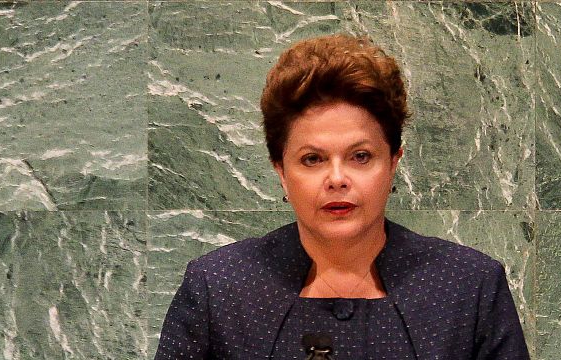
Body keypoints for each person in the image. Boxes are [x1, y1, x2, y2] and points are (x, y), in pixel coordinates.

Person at [155, 34, 529, 359]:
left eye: (360, 156)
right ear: (281, 171)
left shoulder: (468, 286)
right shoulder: (219, 286)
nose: (337, 179)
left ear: (394, 162)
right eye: (312, 159)